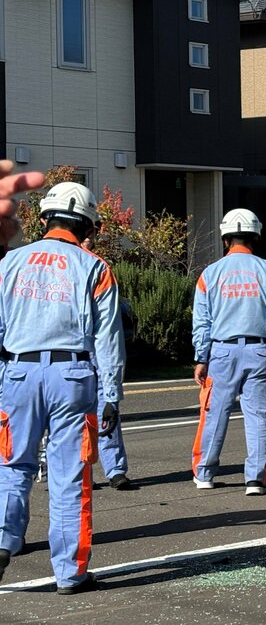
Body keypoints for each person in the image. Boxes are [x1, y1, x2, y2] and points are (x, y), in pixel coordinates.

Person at [0, 182, 125, 594]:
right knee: (70, 473)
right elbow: (108, 338)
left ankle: (3, 541)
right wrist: (112, 395)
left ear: (43, 220)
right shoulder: (94, 267)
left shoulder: (9, 263)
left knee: (12, 464)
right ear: (88, 224)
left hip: (18, 372)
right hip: (72, 376)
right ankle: (70, 573)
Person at [191, 209, 266, 496]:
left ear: (226, 239)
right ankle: (255, 480)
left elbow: (202, 321)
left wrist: (202, 357)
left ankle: (205, 474)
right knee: (260, 416)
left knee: (214, 414)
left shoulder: (209, 274)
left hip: (221, 352)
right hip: (260, 351)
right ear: (255, 237)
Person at [82, 225, 134, 491]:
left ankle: (115, 469)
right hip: (75, 352)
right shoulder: (70, 265)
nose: (91, 237)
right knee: (75, 416)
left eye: (93, 233)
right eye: (87, 232)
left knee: (107, 409)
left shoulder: (98, 268)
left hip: (98, 349)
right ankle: (81, 470)